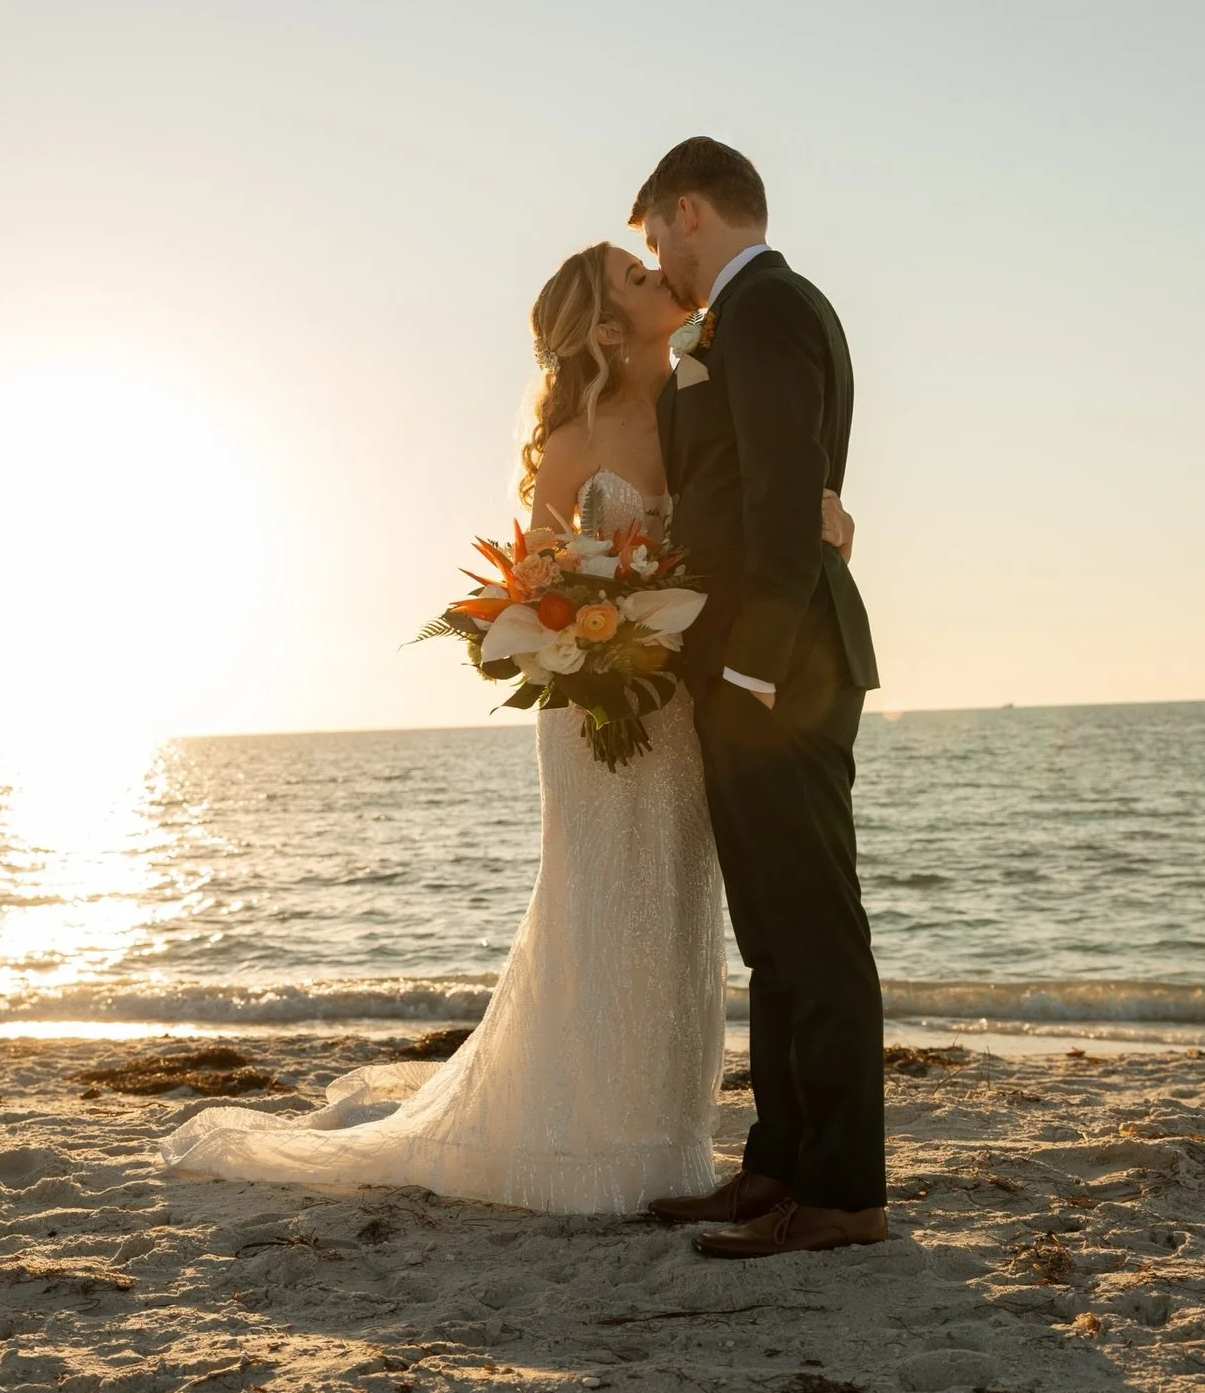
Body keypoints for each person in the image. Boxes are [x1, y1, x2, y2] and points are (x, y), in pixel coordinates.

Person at [162, 237, 851, 1214]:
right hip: (594, 705)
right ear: (608, 329)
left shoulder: (701, 403)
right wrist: (586, 655)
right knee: (601, 902)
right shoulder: (572, 444)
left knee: (677, 905)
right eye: (638, 276)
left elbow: (757, 509)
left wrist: (825, 515)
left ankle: (665, 1142)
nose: (663, 276)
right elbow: (539, 585)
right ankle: (588, 1142)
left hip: (681, 708)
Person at [636, 136, 887, 1258]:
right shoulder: (746, 320)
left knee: (813, 932)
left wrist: (751, 668)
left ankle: (841, 1194)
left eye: (655, 239)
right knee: (774, 935)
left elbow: (789, 505)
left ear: (690, 212)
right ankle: (778, 1169)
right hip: (753, 666)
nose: (662, 266)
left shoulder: (773, 309)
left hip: (780, 671)